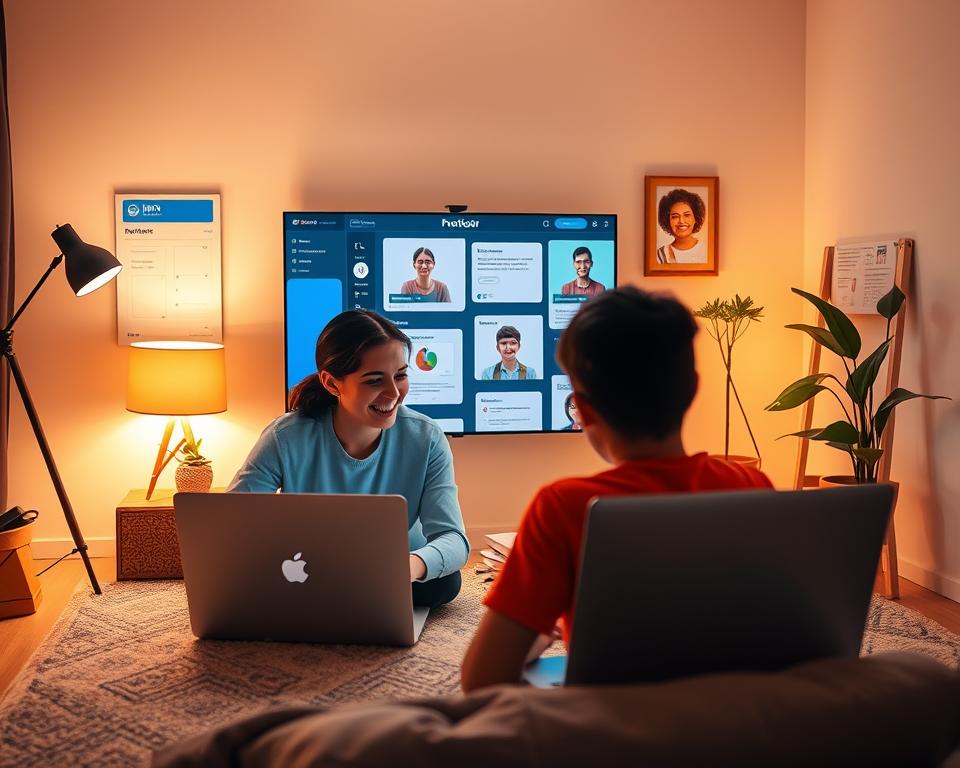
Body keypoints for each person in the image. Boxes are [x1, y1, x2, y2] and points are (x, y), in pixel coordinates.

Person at [461, 287, 772, 691]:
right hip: (730, 707)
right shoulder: (751, 485)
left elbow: (481, 679)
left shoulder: (564, 506)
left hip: (612, 716)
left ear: (582, 409)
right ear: (693, 389)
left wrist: (534, 628)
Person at [228, 309, 468, 608]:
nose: (394, 393)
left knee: (445, 582)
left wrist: (408, 567)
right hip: (310, 567)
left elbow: (453, 540)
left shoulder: (427, 437)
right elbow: (232, 523)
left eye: (400, 375)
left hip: (394, 572)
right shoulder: (285, 436)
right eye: (374, 381)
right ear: (332, 384)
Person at [656, 188, 708, 264]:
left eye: (687, 215)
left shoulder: (707, 250)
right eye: (675, 216)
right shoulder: (661, 254)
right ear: (668, 221)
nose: (681, 221)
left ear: (696, 218)